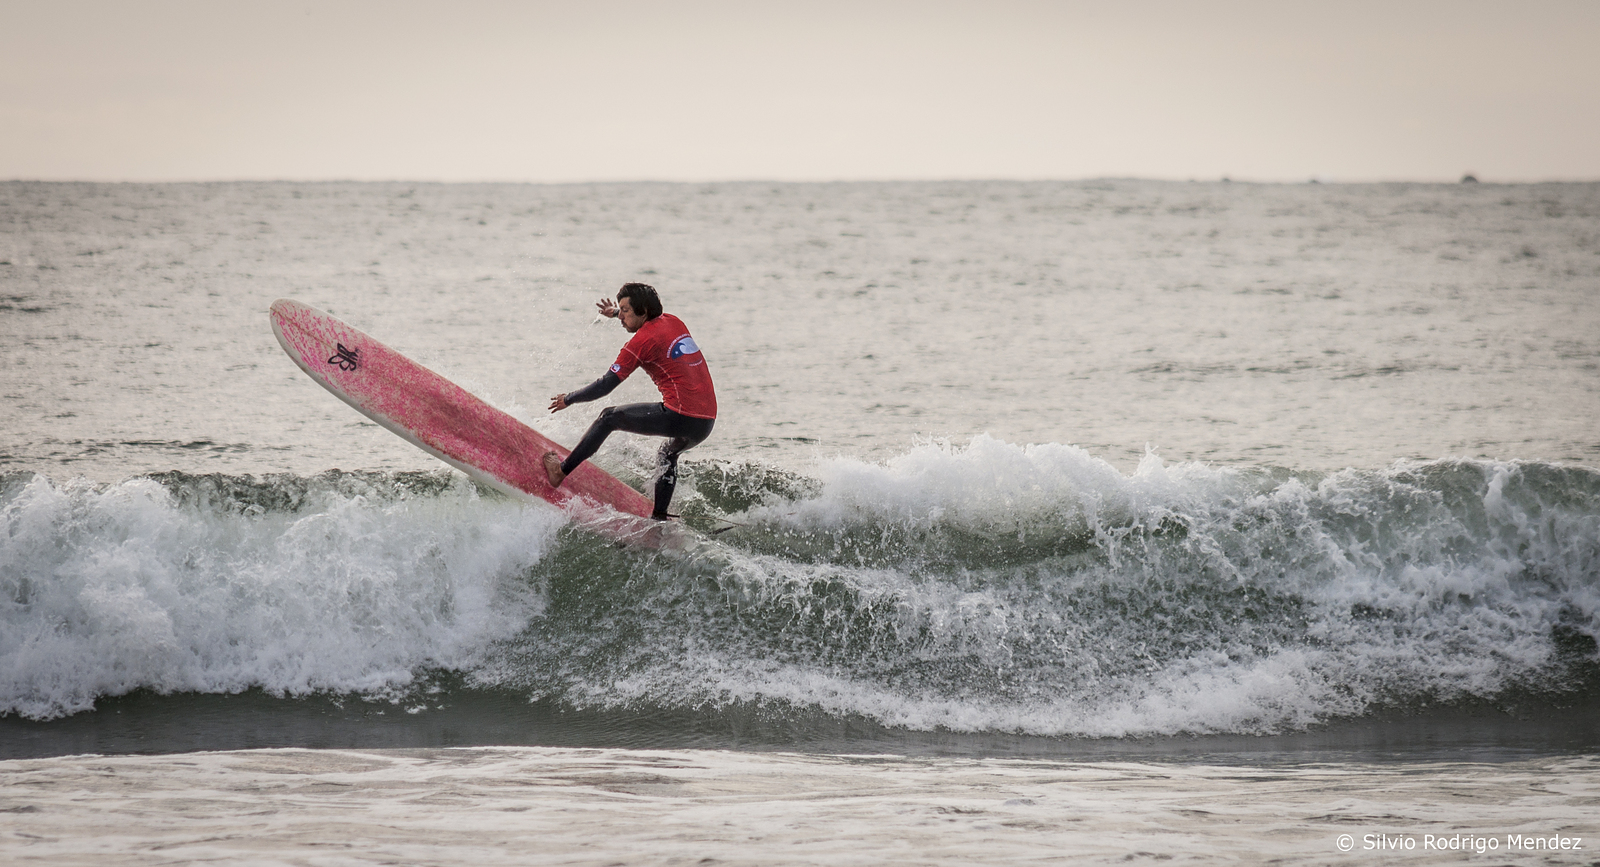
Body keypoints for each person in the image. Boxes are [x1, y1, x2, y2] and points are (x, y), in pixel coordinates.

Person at [544, 283, 716, 520]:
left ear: (643, 311)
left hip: (681, 414)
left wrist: (569, 398)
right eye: (620, 310)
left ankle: (560, 472)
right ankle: (659, 516)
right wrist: (614, 313)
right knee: (667, 454)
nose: (621, 315)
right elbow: (644, 322)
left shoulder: (640, 343)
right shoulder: (673, 321)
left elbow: (605, 385)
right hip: (705, 421)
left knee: (608, 418)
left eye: (625, 311)